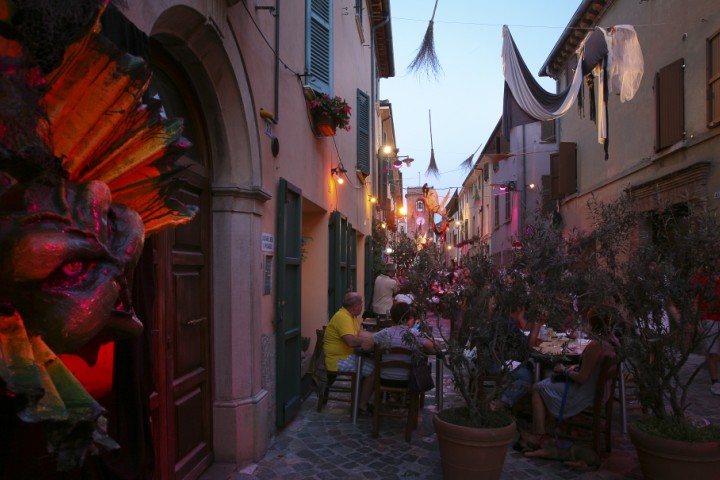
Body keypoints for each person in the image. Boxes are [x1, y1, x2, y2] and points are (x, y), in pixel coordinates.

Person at [531, 306, 619, 436]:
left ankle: (540, 435)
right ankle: (551, 429)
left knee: (536, 388)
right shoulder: (613, 341)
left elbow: (582, 378)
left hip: (584, 394)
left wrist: (564, 370)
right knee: (551, 383)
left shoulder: (595, 346)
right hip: (600, 391)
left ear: (592, 323)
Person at [324, 292, 376, 414]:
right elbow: (351, 341)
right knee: (374, 369)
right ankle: (361, 405)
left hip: (345, 355)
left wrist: (377, 336)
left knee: (371, 364)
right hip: (337, 359)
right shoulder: (343, 317)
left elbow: (359, 334)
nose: (362, 306)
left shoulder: (349, 316)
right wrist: (371, 340)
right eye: (361, 303)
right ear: (355, 306)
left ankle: (360, 399)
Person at [372, 303, 435, 383]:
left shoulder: (385, 332)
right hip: (408, 380)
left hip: (385, 378)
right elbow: (432, 346)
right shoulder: (414, 334)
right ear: (408, 317)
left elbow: (370, 341)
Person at [694, 272, 720, 395]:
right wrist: (697, 320)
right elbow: (695, 298)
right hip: (709, 319)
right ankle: (715, 381)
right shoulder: (702, 278)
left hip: (711, 318)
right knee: (712, 352)